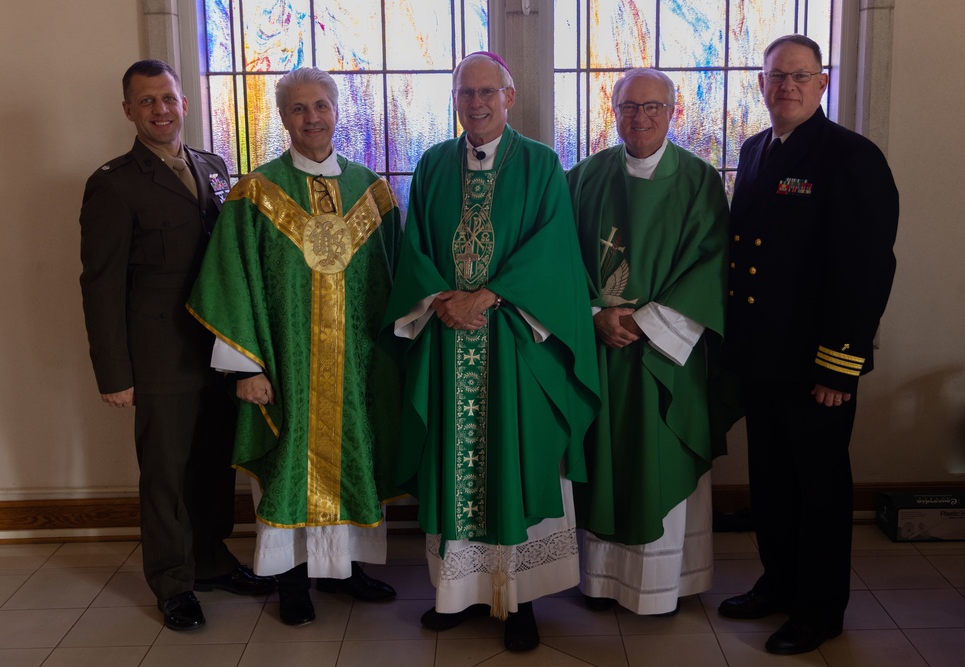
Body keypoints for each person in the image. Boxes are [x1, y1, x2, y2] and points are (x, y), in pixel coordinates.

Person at [383, 52, 600, 652]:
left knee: (516, 458)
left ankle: (520, 600)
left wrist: (490, 294)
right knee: (455, 466)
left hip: (513, 348)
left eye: (486, 92)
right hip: (448, 342)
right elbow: (416, 249)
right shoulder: (430, 165)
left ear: (510, 97)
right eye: (464, 93)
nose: (475, 104)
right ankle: (457, 595)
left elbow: (555, 252)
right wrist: (441, 301)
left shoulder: (540, 163)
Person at [187, 67, 402, 626]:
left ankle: (347, 568)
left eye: (322, 106)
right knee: (289, 463)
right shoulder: (257, 193)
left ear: (337, 111)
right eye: (299, 108)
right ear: (283, 117)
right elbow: (232, 282)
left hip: (355, 369)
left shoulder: (372, 194)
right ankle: (291, 579)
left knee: (355, 455)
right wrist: (245, 368)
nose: (313, 118)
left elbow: (396, 278)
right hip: (285, 368)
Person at [79, 59, 275, 631]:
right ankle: (172, 582)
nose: (160, 110)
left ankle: (211, 560)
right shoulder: (114, 183)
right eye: (146, 101)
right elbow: (101, 284)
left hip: (220, 350)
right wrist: (113, 372)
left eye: (167, 97)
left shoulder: (214, 167)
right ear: (128, 110)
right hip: (160, 356)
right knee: (166, 472)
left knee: (213, 465)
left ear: (184, 101)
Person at [718, 34, 898, 655]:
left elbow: (867, 269)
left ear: (822, 83)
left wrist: (839, 366)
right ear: (761, 83)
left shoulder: (850, 156)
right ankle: (780, 583)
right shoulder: (756, 148)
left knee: (819, 489)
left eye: (800, 75)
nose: (786, 86)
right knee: (770, 481)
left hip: (815, 364)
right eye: (775, 76)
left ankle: (820, 610)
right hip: (764, 358)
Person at [567, 68, 729, 616]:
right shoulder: (584, 178)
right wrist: (593, 314)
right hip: (600, 350)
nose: (640, 118)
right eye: (628, 107)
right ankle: (602, 581)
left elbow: (711, 266)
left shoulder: (700, 181)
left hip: (666, 355)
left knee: (656, 451)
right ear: (613, 112)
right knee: (606, 457)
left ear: (672, 113)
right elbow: (557, 263)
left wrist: (643, 323)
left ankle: (668, 584)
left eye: (653, 107)